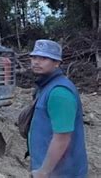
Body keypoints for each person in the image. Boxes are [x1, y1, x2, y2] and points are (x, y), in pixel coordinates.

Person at [28, 39, 88, 178]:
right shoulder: (46, 86)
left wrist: (44, 171)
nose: (36, 62)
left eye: (43, 58)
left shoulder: (60, 92)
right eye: (34, 57)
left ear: (57, 63)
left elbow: (62, 138)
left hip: (62, 172)